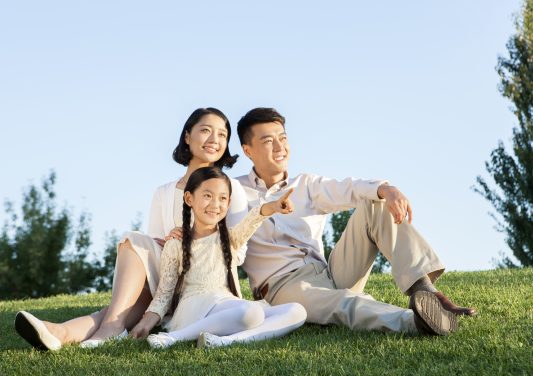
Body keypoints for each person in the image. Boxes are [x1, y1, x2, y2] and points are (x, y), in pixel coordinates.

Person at [14, 107, 249, 350]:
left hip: (202, 281)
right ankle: (60, 333)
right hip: (166, 275)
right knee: (133, 246)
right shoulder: (164, 192)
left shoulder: (231, 188)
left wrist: (196, 236)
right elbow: (153, 242)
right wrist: (168, 241)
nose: (215, 140)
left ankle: (86, 330)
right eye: (206, 131)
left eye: (222, 135)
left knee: (122, 303)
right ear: (188, 136)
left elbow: (237, 252)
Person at [234, 107, 476, 337]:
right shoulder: (234, 192)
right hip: (283, 287)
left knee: (374, 203)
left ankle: (424, 290)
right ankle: (418, 322)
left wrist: (385, 189)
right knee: (345, 303)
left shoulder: (306, 184)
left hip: (329, 272)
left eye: (283, 138)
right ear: (248, 150)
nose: (280, 147)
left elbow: (347, 189)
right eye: (268, 141)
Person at [134, 166, 306, 349]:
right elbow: (163, 295)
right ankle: (173, 338)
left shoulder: (230, 239)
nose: (216, 204)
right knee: (251, 312)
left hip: (228, 304)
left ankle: (225, 341)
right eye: (207, 196)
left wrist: (271, 207)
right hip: (195, 308)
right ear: (189, 198)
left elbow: (251, 221)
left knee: (297, 311)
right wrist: (144, 324)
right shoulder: (176, 243)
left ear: (229, 202)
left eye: (222, 198)